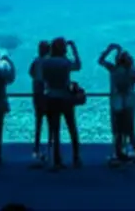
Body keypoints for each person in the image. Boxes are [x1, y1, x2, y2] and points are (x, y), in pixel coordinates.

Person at [41, 37, 83, 170]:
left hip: (51, 97)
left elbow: (42, 78)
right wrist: (74, 49)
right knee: (72, 128)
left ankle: (57, 159)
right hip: (65, 97)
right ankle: (76, 157)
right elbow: (78, 65)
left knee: (55, 130)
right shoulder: (65, 62)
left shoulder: (46, 62)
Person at [98, 43, 135, 163]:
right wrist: (120, 53)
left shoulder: (113, 69)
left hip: (116, 104)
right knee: (130, 129)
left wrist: (109, 50)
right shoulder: (132, 71)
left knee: (117, 130)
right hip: (130, 103)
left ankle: (118, 153)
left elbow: (100, 61)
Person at [29, 40, 51, 163]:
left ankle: (37, 146)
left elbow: (31, 73)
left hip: (38, 93)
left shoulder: (36, 61)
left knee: (39, 121)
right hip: (47, 94)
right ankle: (50, 146)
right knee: (50, 121)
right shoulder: (50, 61)